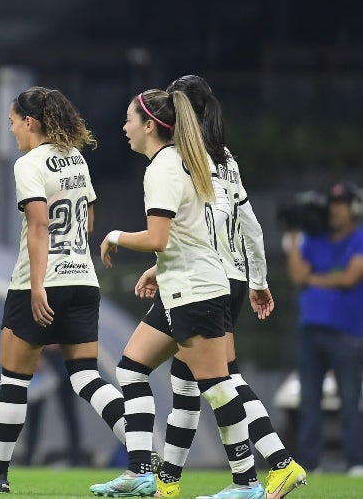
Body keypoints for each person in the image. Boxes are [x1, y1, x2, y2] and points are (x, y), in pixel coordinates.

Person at [89, 89, 262, 499]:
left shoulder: (164, 168)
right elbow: (192, 235)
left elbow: (159, 237)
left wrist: (114, 235)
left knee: (217, 387)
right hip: (182, 287)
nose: (124, 127)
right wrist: (158, 270)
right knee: (130, 368)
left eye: (129, 119)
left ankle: (247, 483)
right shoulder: (183, 161)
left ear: (150, 125)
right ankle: (142, 473)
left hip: (196, 291)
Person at [0, 86, 127, 493]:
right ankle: (143, 455)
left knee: (14, 380)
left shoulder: (28, 164)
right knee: (86, 376)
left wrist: (36, 288)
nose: (12, 129)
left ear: (29, 122)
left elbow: (38, 225)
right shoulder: (76, 159)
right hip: (83, 279)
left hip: (41, 282)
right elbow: (86, 223)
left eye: (13, 122)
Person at [143, 76, 306, 498]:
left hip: (201, 279)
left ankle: (275, 464)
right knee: (188, 382)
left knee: (216, 380)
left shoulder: (183, 158)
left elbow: (194, 228)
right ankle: (174, 482)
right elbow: (248, 224)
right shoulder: (226, 157)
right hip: (229, 275)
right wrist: (258, 279)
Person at [286, 179, 363, 475]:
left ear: (353, 207)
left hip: (347, 331)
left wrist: (313, 278)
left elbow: (349, 279)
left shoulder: (358, 238)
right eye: (333, 204)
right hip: (310, 330)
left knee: (349, 399)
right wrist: (294, 234)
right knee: (309, 402)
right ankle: (311, 463)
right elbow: (296, 274)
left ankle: (355, 462)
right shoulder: (313, 239)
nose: (335, 210)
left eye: (341, 204)